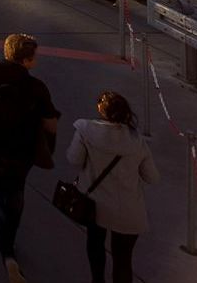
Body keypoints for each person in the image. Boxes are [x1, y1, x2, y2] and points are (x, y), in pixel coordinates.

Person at [0, 33, 59, 282]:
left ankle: (6, 251)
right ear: (27, 61)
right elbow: (51, 123)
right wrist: (47, 146)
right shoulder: (37, 87)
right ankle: (10, 242)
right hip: (23, 151)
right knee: (16, 192)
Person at [66, 91, 157, 283]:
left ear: (101, 110)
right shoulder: (136, 141)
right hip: (129, 210)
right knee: (123, 260)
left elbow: (73, 159)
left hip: (95, 206)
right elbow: (152, 177)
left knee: (95, 245)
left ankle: (97, 280)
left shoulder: (85, 129)